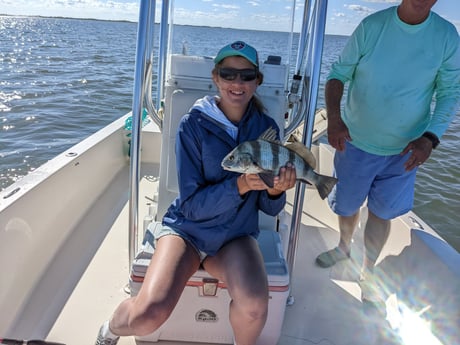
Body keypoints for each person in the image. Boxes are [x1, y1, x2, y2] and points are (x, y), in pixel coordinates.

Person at [95, 41, 296, 345]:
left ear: (257, 81)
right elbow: (189, 206)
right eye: (228, 74)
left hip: (235, 236)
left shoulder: (267, 128)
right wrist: (239, 185)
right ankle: (110, 329)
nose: (237, 83)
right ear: (215, 78)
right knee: (147, 316)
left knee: (255, 307)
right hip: (186, 231)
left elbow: (269, 208)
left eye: (246, 75)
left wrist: (277, 190)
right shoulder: (193, 124)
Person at [315, 0, 460, 306]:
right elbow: (338, 75)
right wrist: (335, 118)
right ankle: (344, 248)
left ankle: (368, 274)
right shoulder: (372, 26)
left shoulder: (446, 36)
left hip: (405, 151)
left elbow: (449, 93)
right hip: (353, 141)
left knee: (382, 214)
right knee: (348, 205)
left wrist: (430, 137)